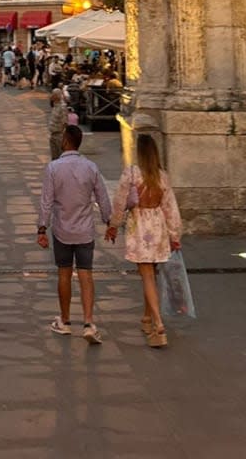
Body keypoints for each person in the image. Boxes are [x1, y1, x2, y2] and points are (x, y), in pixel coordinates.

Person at [37, 124, 111, 344]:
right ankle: (88, 322)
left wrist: (42, 228)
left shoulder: (53, 168)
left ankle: (66, 321)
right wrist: (110, 222)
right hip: (85, 230)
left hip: (62, 230)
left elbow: (46, 202)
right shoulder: (90, 167)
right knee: (86, 274)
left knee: (64, 274)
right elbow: (102, 197)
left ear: (65, 141)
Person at [108, 133, 182, 349]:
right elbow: (171, 208)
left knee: (147, 275)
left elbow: (120, 202)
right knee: (152, 275)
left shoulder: (131, 174)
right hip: (157, 226)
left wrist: (113, 225)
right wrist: (175, 235)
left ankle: (158, 324)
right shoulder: (162, 176)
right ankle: (146, 319)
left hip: (139, 226)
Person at [48, 88, 68, 161]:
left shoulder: (62, 107)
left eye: (52, 94)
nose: (51, 96)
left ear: (57, 96)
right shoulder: (55, 106)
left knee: (60, 156)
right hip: (53, 134)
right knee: (54, 156)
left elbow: (65, 122)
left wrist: (62, 135)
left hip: (59, 135)